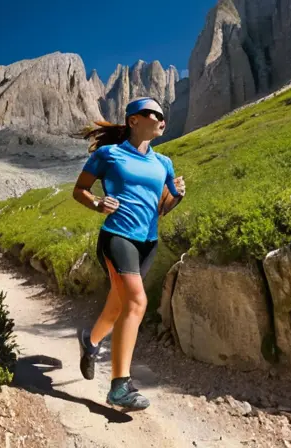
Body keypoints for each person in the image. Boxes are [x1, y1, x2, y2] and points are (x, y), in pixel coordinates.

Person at [72, 97, 185, 411]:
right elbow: (79, 190)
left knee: (118, 303)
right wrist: (98, 203)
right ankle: (120, 387)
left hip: (148, 242)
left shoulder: (164, 163)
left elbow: (162, 208)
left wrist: (177, 195)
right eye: (154, 114)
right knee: (136, 301)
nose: (162, 119)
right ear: (134, 120)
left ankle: (91, 341)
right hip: (117, 236)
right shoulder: (109, 155)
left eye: (163, 115)